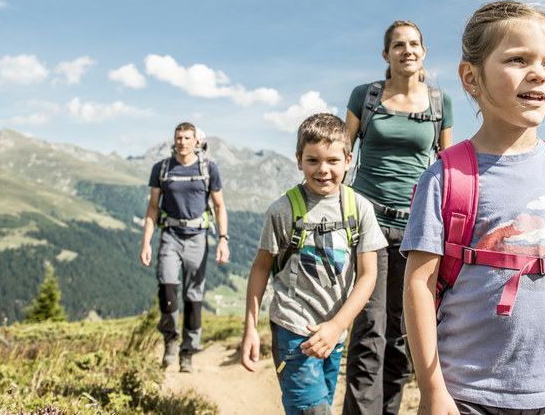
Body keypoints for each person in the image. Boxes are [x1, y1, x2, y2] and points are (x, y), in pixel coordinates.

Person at [402, 0, 545, 415]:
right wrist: (433, 391)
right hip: (466, 395)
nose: (539, 73)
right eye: (518, 59)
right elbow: (419, 285)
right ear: (471, 77)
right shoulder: (445, 178)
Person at [241, 113, 387, 415]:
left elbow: (368, 275)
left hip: (334, 333)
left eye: (333, 161)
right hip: (293, 330)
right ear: (298, 160)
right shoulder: (282, 210)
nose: (323, 170)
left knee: (321, 405)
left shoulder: (359, 208)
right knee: (314, 411)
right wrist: (250, 328)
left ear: (348, 160)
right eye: (313, 161)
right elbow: (261, 266)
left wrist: (337, 326)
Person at [343, 20, 453, 415]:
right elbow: (342, 153)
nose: (408, 50)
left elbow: (447, 167)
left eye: (415, 44)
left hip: (416, 227)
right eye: (399, 45)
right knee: (369, 329)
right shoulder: (366, 96)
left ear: (423, 52)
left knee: (404, 333)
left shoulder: (440, 102)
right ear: (386, 54)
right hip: (367, 223)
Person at [140, 122, 230, 373]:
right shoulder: (161, 168)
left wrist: (224, 238)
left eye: (187, 138)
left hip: (198, 238)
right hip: (169, 235)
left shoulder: (208, 168)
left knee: (194, 297)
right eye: (178, 137)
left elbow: (220, 205)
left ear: (196, 141)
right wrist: (146, 242)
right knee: (167, 290)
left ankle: (188, 351)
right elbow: (153, 207)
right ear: (174, 140)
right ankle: (170, 342)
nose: (182, 142)